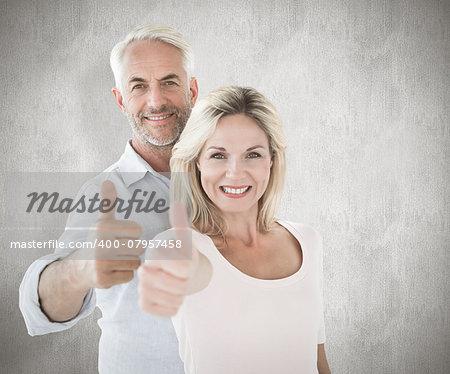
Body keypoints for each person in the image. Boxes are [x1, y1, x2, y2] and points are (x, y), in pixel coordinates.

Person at [19, 24, 202, 374]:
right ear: (120, 100)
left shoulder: (230, 178)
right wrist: (78, 271)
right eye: (138, 86)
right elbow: (39, 311)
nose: (156, 100)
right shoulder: (104, 193)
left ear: (192, 90)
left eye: (169, 82)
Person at [139, 86, 332, 373]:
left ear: (272, 160)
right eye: (218, 155)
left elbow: (317, 362)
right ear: (197, 163)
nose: (235, 172)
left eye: (252, 155)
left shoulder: (306, 241)